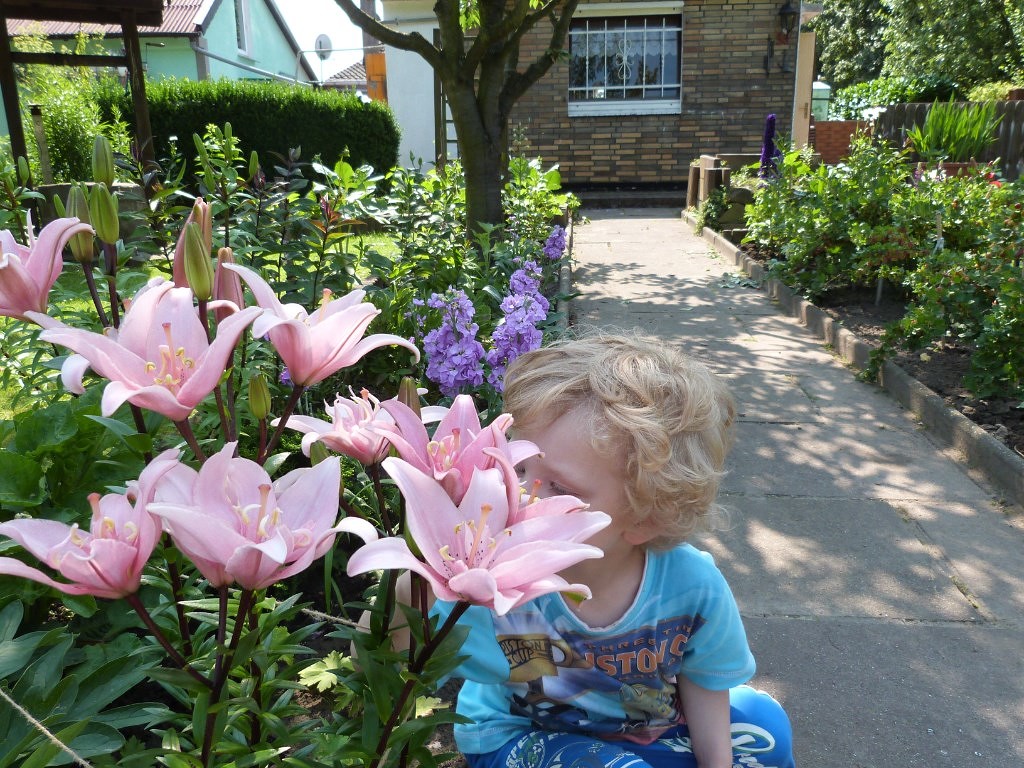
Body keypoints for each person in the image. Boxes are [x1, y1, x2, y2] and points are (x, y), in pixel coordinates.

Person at [433, 330, 796, 768]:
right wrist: (410, 584)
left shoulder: (691, 587)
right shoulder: (488, 580)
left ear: (645, 519)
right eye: (520, 464)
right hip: (522, 735)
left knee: (767, 730)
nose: (515, 491)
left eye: (559, 488)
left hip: (645, 731)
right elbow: (382, 650)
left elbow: (704, 683)